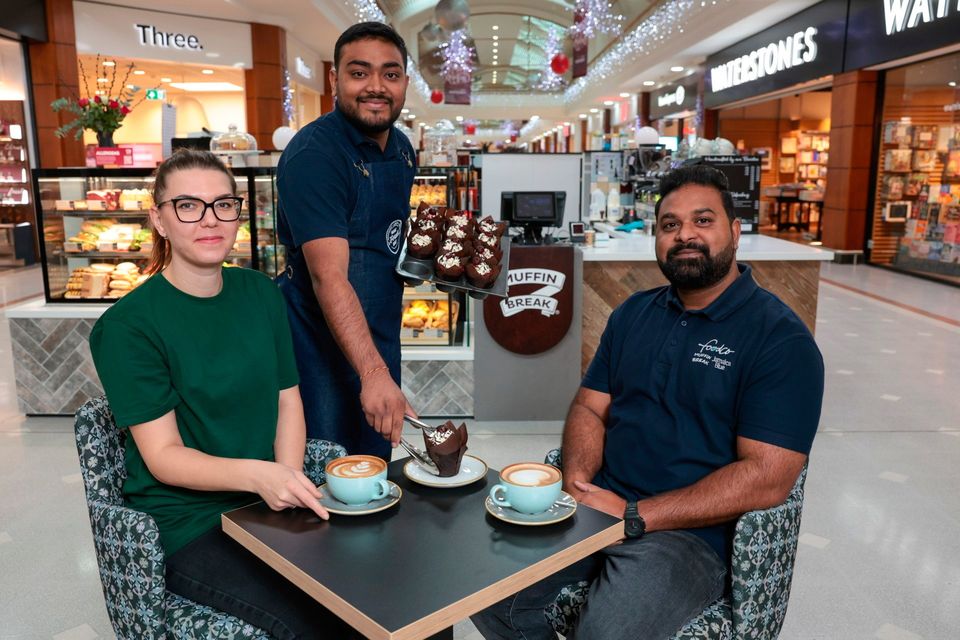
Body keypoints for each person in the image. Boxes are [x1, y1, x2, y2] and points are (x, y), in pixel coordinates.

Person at [471, 164, 825, 639]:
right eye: (670, 225)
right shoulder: (632, 313)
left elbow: (768, 477)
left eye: (703, 221)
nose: (685, 236)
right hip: (596, 509)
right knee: (484, 590)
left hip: (686, 537)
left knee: (606, 633)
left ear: (736, 232)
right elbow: (589, 408)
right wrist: (576, 482)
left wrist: (636, 516)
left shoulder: (780, 340)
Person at [89, 150, 358, 639]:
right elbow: (164, 456)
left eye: (223, 205)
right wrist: (260, 475)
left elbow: (287, 400)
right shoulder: (128, 327)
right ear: (159, 219)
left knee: (377, 594)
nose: (210, 220)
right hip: (189, 523)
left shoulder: (260, 293)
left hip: (265, 503)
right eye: (188, 206)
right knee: (309, 623)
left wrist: (288, 479)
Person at [276, 22, 417, 460]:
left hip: (379, 333)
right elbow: (328, 275)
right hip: (317, 346)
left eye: (390, 74)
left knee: (375, 465)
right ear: (335, 80)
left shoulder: (403, 148)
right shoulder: (316, 156)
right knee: (328, 468)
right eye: (360, 73)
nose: (376, 87)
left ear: (405, 83)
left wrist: (426, 266)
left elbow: (386, 240)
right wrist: (372, 372)